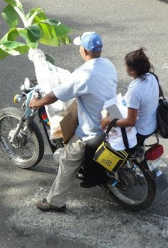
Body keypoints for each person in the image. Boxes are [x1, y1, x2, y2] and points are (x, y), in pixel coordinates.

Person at [29, 32, 117, 212]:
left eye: (80, 47)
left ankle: (55, 202)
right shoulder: (108, 65)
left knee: (67, 163)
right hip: (110, 119)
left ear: (84, 51)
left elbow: (55, 95)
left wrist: (37, 102)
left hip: (92, 131)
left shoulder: (82, 74)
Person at [100, 48, 159, 152]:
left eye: (126, 65)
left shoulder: (134, 91)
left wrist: (108, 121)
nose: (125, 67)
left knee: (103, 135)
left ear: (132, 70)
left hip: (141, 131)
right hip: (153, 124)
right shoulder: (152, 77)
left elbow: (130, 122)